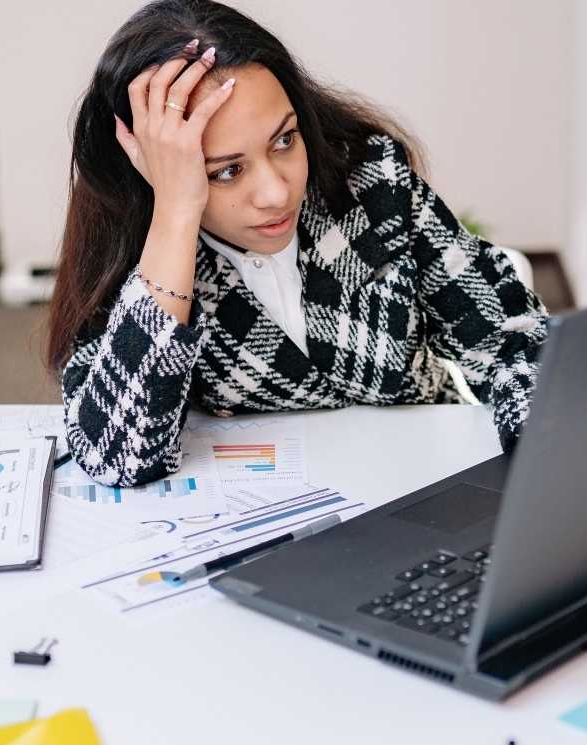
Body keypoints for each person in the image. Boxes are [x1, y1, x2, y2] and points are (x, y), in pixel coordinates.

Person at [46, 0, 549, 488]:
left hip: (422, 483)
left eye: (284, 140)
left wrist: (539, 464)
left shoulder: (374, 186)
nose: (276, 192)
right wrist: (176, 215)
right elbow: (117, 457)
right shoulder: (141, 241)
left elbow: (516, 339)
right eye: (225, 171)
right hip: (256, 520)